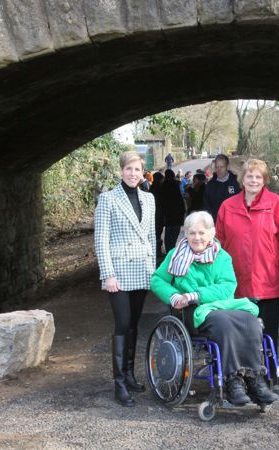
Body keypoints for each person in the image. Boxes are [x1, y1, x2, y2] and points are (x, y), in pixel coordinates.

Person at [150, 211, 279, 406]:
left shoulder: (222, 257)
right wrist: (174, 296)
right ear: (186, 234)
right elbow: (157, 280)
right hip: (193, 313)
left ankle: (255, 380)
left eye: (202, 233)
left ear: (212, 233)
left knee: (250, 321)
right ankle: (232, 381)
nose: (197, 238)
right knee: (223, 323)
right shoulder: (174, 255)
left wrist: (197, 294)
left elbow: (227, 287)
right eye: (192, 233)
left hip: (222, 306)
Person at [216, 159, 279, 357]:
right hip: (236, 281)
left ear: (265, 180)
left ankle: (269, 374)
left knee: (267, 333)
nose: (253, 180)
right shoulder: (227, 207)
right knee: (240, 332)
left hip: (267, 280)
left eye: (258, 177)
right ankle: (243, 375)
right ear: (241, 179)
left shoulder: (276, 204)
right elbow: (217, 244)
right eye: (249, 176)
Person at [94, 150, 157, 407]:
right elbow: (101, 240)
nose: (133, 174)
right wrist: (108, 274)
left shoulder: (149, 199)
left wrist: (152, 270)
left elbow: (152, 236)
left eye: (137, 170)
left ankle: (130, 375)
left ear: (143, 173)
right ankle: (119, 383)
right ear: (121, 171)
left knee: (134, 324)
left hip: (141, 270)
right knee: (122, 324)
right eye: (129, 169)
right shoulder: (108, 199)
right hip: (118, 273)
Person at [203, 154, 241, 220]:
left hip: (234, 223)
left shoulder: (237, 182)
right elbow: (206, 207)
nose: (219, 170)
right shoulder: (210, 185)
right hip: (216, 224)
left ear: (227, 166)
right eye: (217, 167)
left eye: (221, 167)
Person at [158, 169, 185, 252]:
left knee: (168, 234)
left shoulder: (163, 186)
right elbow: (180, 201)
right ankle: (172, 250)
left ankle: (168, 251)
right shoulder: (176, 185)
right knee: (174, 234)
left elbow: (161, 202)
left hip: (168, 215)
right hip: (177, 214)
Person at [151, 171, 165, 257]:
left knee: (156, 232)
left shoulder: (152, 188)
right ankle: (157, 252)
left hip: (155, 214)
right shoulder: (160, 189)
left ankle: (156, 251)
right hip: (158, 214)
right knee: (157, 232)